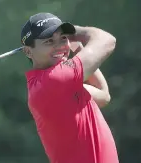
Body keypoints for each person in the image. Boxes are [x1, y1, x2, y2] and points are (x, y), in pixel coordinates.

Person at [21, 12, 119, 163]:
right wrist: (76, 31)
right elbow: (107, 40)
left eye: (63, 38)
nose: (59, 46)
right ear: (28, 51)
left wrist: (77, 47)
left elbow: (103, 95)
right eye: (49, 41)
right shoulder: (53, 81)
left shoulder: (57, 85)